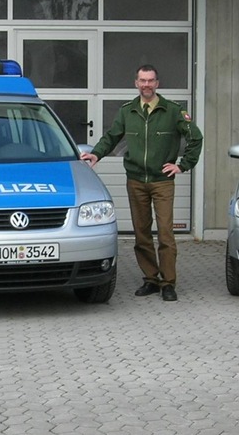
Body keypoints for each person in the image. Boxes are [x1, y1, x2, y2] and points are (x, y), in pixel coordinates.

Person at [82, 64, 203, 302]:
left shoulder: (173, 111)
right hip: (136, 180)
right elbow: (112, 137)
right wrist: (96, 154)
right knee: (142, 233)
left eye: (151, 80)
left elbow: (195, 138)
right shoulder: (128, 111)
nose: (146, 85)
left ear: (157, 83)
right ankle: (151, 279)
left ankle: (168, 283)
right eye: (142, 80)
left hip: (162, 182)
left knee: (166, 234)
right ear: (136, 83)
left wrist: (182, 165)